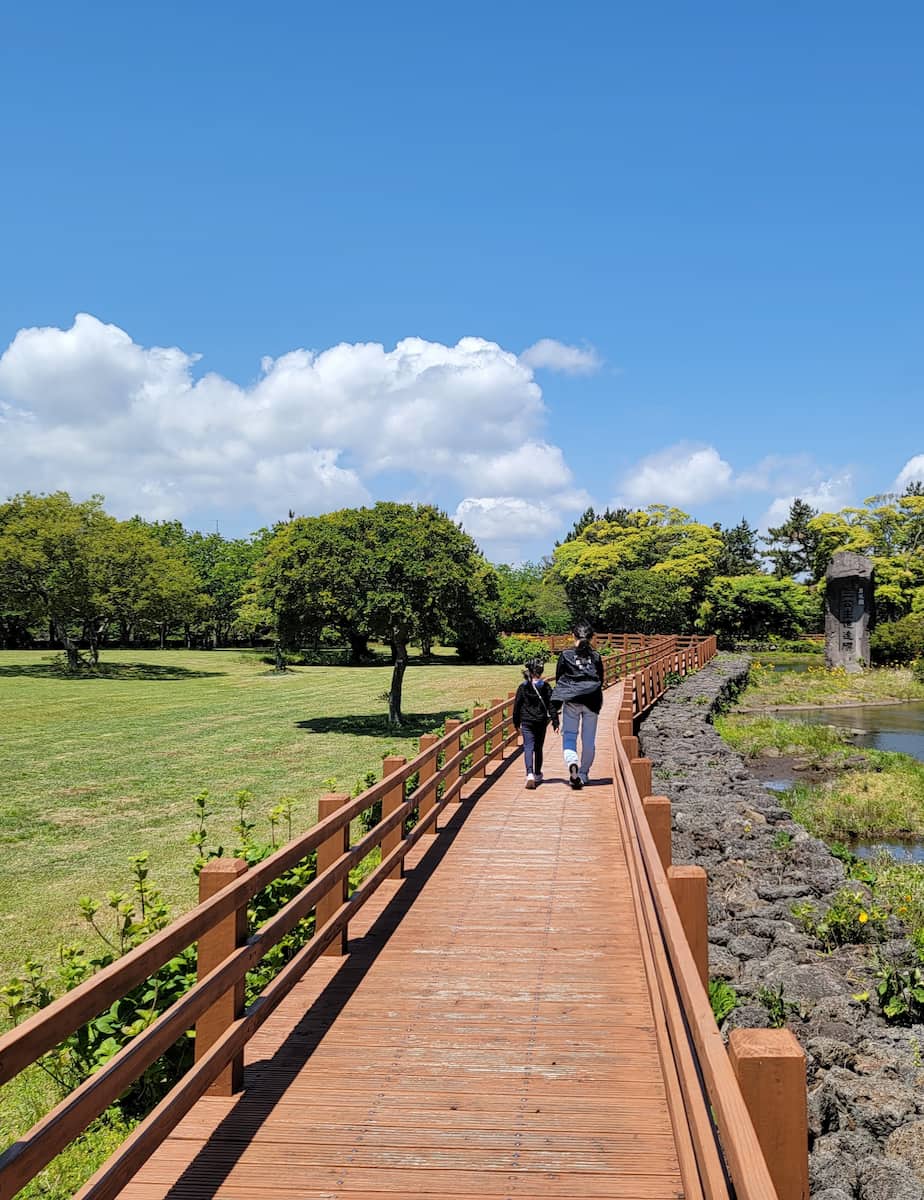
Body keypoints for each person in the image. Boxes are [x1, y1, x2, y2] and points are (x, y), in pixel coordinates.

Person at [552, 621, 604, 789]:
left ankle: (572, 763)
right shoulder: (596, 656)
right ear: (591, 638)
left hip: (572, 701)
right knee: (588, 740)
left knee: (570, 736)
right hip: (592, 702)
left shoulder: (566, 655)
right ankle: (583, 773)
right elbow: (601, 679)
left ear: (573, 635)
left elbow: (559, 677)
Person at [512, 657, 558, 789]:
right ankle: (537, 773)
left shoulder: (523, 687)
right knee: (538, 748)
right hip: (541, 721)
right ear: (541, 671)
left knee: (528, 747)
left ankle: (529, 773)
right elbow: (551, 705)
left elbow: (517, 706)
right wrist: (555, 721)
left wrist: (516, 722)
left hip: (526, 721)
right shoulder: (545, 686)